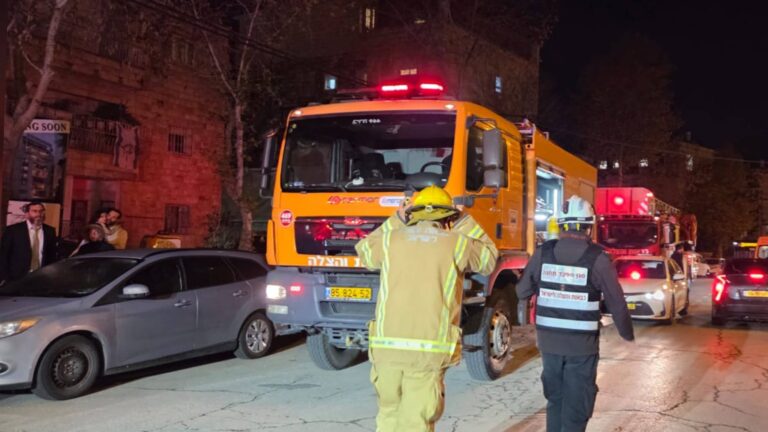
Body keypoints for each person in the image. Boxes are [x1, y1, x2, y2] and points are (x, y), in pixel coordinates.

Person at [355, 186, 498, 432]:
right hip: (428, 349)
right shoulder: (457, 243)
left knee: (388, 414)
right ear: (448, 217)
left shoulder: (390, 240)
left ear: (413, 213)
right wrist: (464, 220)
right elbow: (489, 259)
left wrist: (396, 219)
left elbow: (364, 251)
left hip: (386, 348)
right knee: (416, 422)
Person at [516, 195, 634, 432]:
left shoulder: (543, 253)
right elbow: (616, 302)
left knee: (555, 400)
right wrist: (627, 333)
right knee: (577, 404)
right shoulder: (598, 258)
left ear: (561, 225)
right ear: (589, 226)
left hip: (549, 344)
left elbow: (522, 291)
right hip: (582, 347)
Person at [0, 201, 58, 283]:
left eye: (41, 211)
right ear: (27, 214)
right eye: (35, 211)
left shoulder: (50, 231)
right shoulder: (13, 230)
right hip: (16, 278)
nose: (38, 214)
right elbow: (3, 255)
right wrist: (4, 278)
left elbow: (51, 256)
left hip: (41, 277)